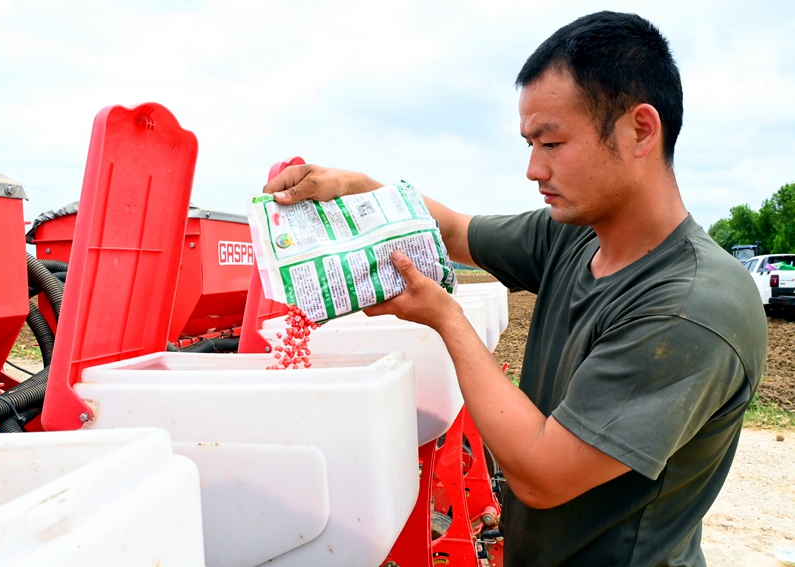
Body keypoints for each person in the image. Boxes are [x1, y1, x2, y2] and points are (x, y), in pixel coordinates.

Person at [263, 11, 767, 567]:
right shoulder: (574, 237)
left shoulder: (691, 307)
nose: (533, 169)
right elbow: (451, 229)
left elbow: (543, 474)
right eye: (529, 142)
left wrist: (446, 318)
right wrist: (357, 189)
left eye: (551, 142)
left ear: (640, 130)